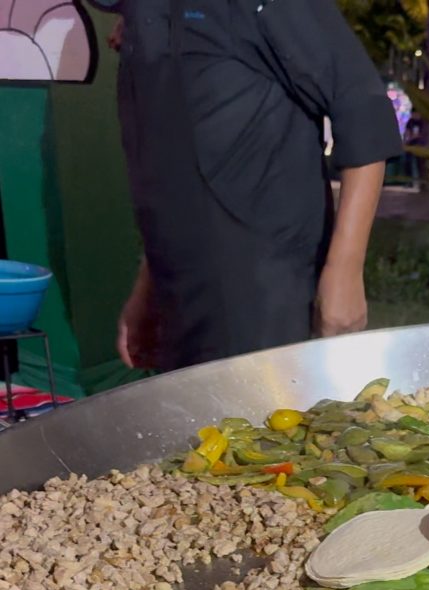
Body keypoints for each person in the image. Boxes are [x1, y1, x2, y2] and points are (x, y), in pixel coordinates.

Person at [111, 0, 404, 371]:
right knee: (186, 423)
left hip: (263, 285)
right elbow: (174, 160)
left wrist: (345, 272)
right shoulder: (144, 14)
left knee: (262, 420)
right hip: (178, 289)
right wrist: (147, 290)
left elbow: (361, 110)